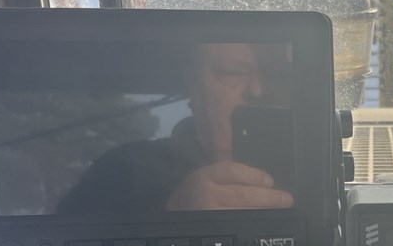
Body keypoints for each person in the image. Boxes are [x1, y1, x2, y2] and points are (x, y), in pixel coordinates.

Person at [56, 43, 294, 215]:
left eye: (277, 74)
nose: (257, 90)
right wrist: (173, 214)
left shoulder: (312, 165)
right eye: (232, 72)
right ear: (193, 84)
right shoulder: (122, 172)